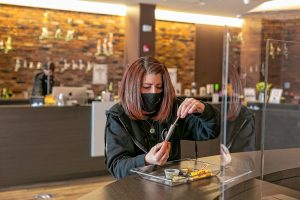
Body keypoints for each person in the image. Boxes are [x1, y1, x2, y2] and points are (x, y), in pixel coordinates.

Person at [105, 56, 220, 179]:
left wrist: (203, 110)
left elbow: (211, 131)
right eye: (147, 87)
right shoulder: (118, 117)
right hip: (135, 189)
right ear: (133, 88)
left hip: (172, 186)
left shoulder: (174, 109)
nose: (154, 92)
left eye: (159, 87)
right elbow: (117, 167)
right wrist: (146, 160)